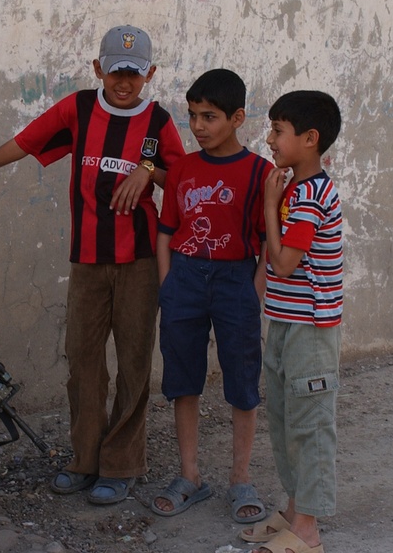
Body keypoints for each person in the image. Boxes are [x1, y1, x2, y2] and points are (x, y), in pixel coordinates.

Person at [0, 25, 185, 505]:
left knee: (133, 364)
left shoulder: (159, 123)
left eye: (134, 74)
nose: (125, 83)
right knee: (83, 364)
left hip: (141, 262)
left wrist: (149, 170)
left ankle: (122, 463)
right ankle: (84, 458)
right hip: (88, 262)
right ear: (98, 70)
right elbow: (23, 144)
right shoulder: (79, 109)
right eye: (115, 73)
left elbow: (185, 180)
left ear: (149, 73)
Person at [148, 69, 273, 524]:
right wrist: (167, 282)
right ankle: (190, 475)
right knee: (183, 378)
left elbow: (265, 242)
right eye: (193, 116)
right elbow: (166, 231)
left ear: (238, 118)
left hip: (236, 281)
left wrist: (253, 289)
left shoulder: (260, 172)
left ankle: (241, 479)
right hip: (183, 277)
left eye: (210, 117)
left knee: (242, 380)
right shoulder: (181, 169)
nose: (198, 126)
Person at [242, 90, 343, 553]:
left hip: (311, 330)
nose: (270, 139)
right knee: (285, 420)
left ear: (310, 139)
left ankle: (308, 530)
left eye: (279, 131)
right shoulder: (293, 190)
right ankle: (292, 509)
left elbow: (284, 262)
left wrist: (267, 205)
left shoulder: (311, 196)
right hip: (285, 321)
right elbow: (274, 264)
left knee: (310, 423)